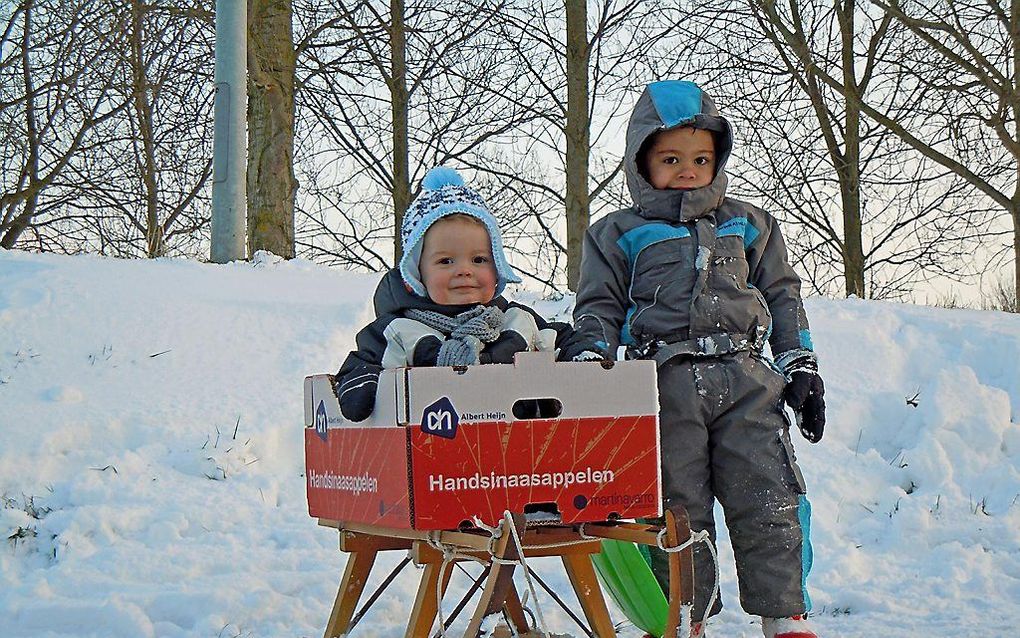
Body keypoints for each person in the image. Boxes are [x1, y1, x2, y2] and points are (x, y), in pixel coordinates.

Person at [572, 80, 826, 638]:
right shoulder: (616, 234)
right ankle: (683, 618)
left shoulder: (750, 223)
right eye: (670, 158)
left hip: (748, 381)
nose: (687, 169)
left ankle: (785, 615)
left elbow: (782, 294)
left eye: (700, 158)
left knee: (769, 493)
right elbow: (599, 307)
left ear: (718, 159)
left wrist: (800, 363)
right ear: (641, 163)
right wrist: (591, 363)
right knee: (674, 508)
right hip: (663, 387)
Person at [335, 166, 602, 421]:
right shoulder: (399, 330)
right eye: (446, 262)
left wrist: (583, 356)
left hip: (524, 451)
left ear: (497, 267)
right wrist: (362, 385)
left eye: (479, 260)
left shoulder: (516, 320)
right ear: (417, 273)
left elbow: (562, 338)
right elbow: (361, 364)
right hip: (435, 449)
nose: (464, 271)